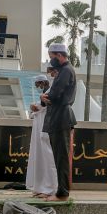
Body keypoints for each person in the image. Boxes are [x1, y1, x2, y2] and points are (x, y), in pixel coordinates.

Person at [42, 43, 76, 201]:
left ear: (60, 55)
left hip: (61, 117)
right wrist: (45, 99)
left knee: (61, 156)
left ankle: (62, 193)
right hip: (58, 116)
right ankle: (61, 190)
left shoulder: (66, 70)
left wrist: (44, 98)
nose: (51, 61)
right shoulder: (64, 70)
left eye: (52, 57)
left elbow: (54, 94)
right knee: (58, 156)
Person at [26, 73, 58, 199]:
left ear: (44, 83)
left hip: (47, 127)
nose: (38, 86)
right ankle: (39, 187)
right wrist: (33, 107)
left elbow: (48, 105)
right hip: (38, 128)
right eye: (36, 84)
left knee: (47, 158)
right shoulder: (40, 96)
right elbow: (35, 110)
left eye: (39, 84)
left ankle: (49, 188)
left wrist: (38, 106)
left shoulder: (50, 92)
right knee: (37, 157)